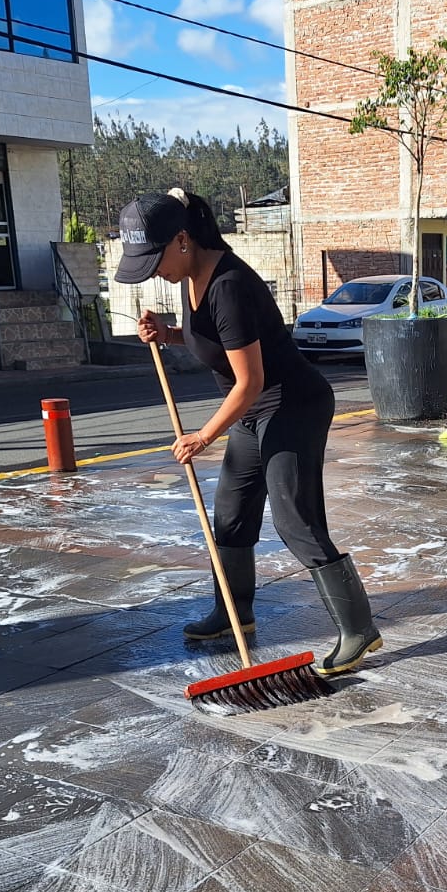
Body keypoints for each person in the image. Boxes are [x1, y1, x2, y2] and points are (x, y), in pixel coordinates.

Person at [116, 188, 380, 676]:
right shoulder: (190, 276)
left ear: (182, 240)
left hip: (292, 404)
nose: (153, 272)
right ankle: (232, 614)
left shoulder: (228, 284)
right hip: (254, 411)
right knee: (232, 516)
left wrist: (203, 436)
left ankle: (359, 628)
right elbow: (215, 338)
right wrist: (169, 334)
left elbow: (250, 380)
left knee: (295, 521)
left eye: (153, 260)